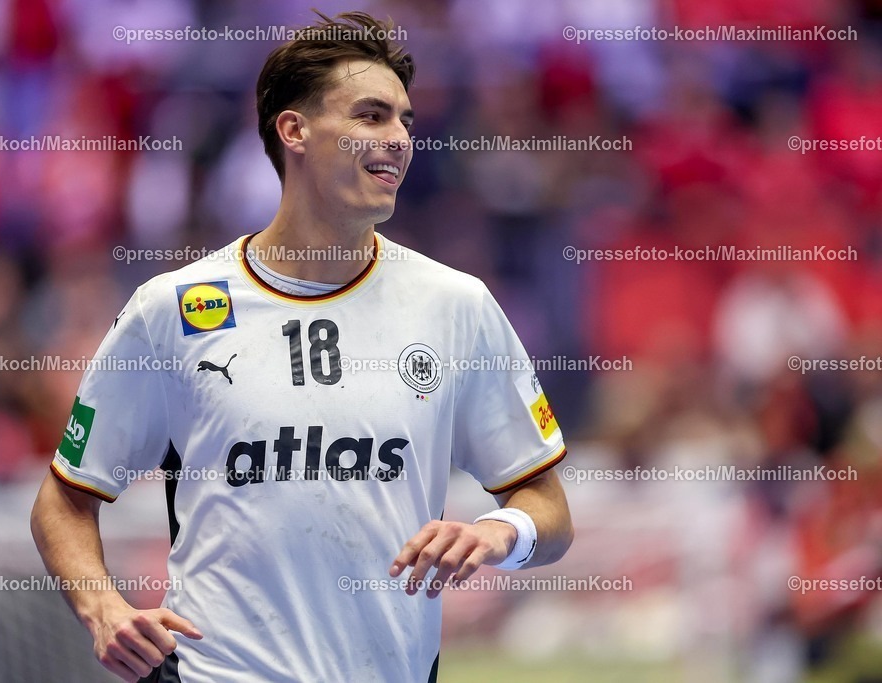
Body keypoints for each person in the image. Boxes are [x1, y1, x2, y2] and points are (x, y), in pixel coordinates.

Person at [30, 11, 573, 682]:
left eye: (404, 120)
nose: (399, 138)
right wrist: (102, 608)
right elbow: (64, 499)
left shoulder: (456, 306)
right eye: (371, 115)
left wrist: (500, 532)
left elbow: (548, 507)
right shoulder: (170, 309)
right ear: (294, 131)